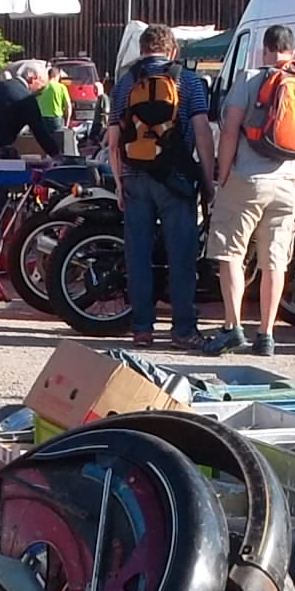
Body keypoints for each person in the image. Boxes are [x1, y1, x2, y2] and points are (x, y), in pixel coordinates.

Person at [204, 23, 295, 357]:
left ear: (265, 49)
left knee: (231, 253)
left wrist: (221, 174)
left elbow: (232, 128)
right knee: (275, 260)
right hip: (287, 182)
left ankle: (233, 327)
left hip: (247, 180)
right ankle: (266, 334)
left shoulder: (249, 79)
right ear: (292, 52)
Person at [108, 23, 215, 348]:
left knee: (137, 254)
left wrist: (118, 182)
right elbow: (202, 133)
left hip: (134, 176)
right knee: (180, 255)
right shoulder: (190, 82)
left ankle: (142, 328)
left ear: (141, 50)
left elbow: (113, 141)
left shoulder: (125, 84)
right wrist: (208, 180)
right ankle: (183, 329)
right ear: (172, 50)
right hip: (176, 178)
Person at [0, 63, 68, 159]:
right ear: (32, 79)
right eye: (41, 87)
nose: (40, 93)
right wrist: (56, 155)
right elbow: (39, 131)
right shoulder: (26, 98)